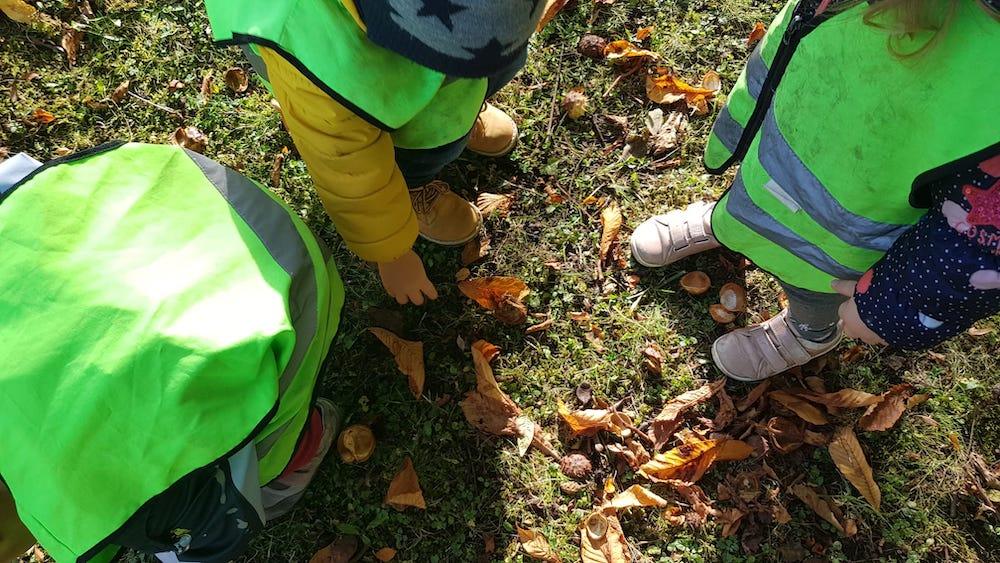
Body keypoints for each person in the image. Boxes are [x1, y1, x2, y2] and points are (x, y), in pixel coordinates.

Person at [0, 143, 345, 562]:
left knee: (257, 460)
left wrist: (176, 548)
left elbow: (218, 531)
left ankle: (301, 443)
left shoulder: (92, 504)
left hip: (283, 283)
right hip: (172, 189)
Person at [630, 0, 1000, 381]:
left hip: (854, 240)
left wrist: (888, 308)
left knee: (818, 288)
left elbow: (981, 242)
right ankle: (727, 224)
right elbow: (789, 37)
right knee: (751, 198)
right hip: (789, 149)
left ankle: (810, 332)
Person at [203, 0, 545, 306]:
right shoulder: (320, 70)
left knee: (470, 72)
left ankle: (459, 101)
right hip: (322, 62)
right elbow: (349, 171)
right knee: (402, 145)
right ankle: (412, 185)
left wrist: (477, 68)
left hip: (422, 31)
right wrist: (392, 254)